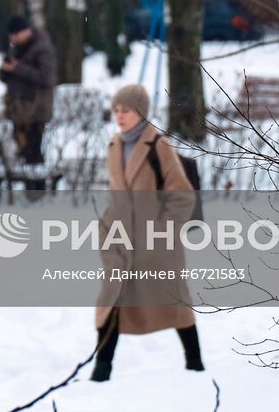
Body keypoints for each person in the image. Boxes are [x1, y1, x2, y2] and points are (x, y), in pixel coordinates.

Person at [91, 83, 203, 382]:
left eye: (126, 110)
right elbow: (117, 196)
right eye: (116, 110)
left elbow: (182, 196)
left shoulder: (159, 146)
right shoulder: (114, 146)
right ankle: (101, 370)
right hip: (121, 242)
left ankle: (195, 363)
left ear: (141, 112)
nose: (119, 116)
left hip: (156, 247)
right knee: (112, 301)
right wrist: (106, 228)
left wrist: (161, 233)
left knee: (175, 304)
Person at [0, 15, 56, 173]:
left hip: (35, 110)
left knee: (33, 155)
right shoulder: (16, 48)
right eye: (11, 36)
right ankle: (29, 184)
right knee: (22, 152)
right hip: (18, 109)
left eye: (16, 35)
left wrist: (17, 68)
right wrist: (5, 69)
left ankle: (37, 186)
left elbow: (46, 77)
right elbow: (5, 77)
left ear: (26, 31)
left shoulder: (42, 49)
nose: (13, 39)